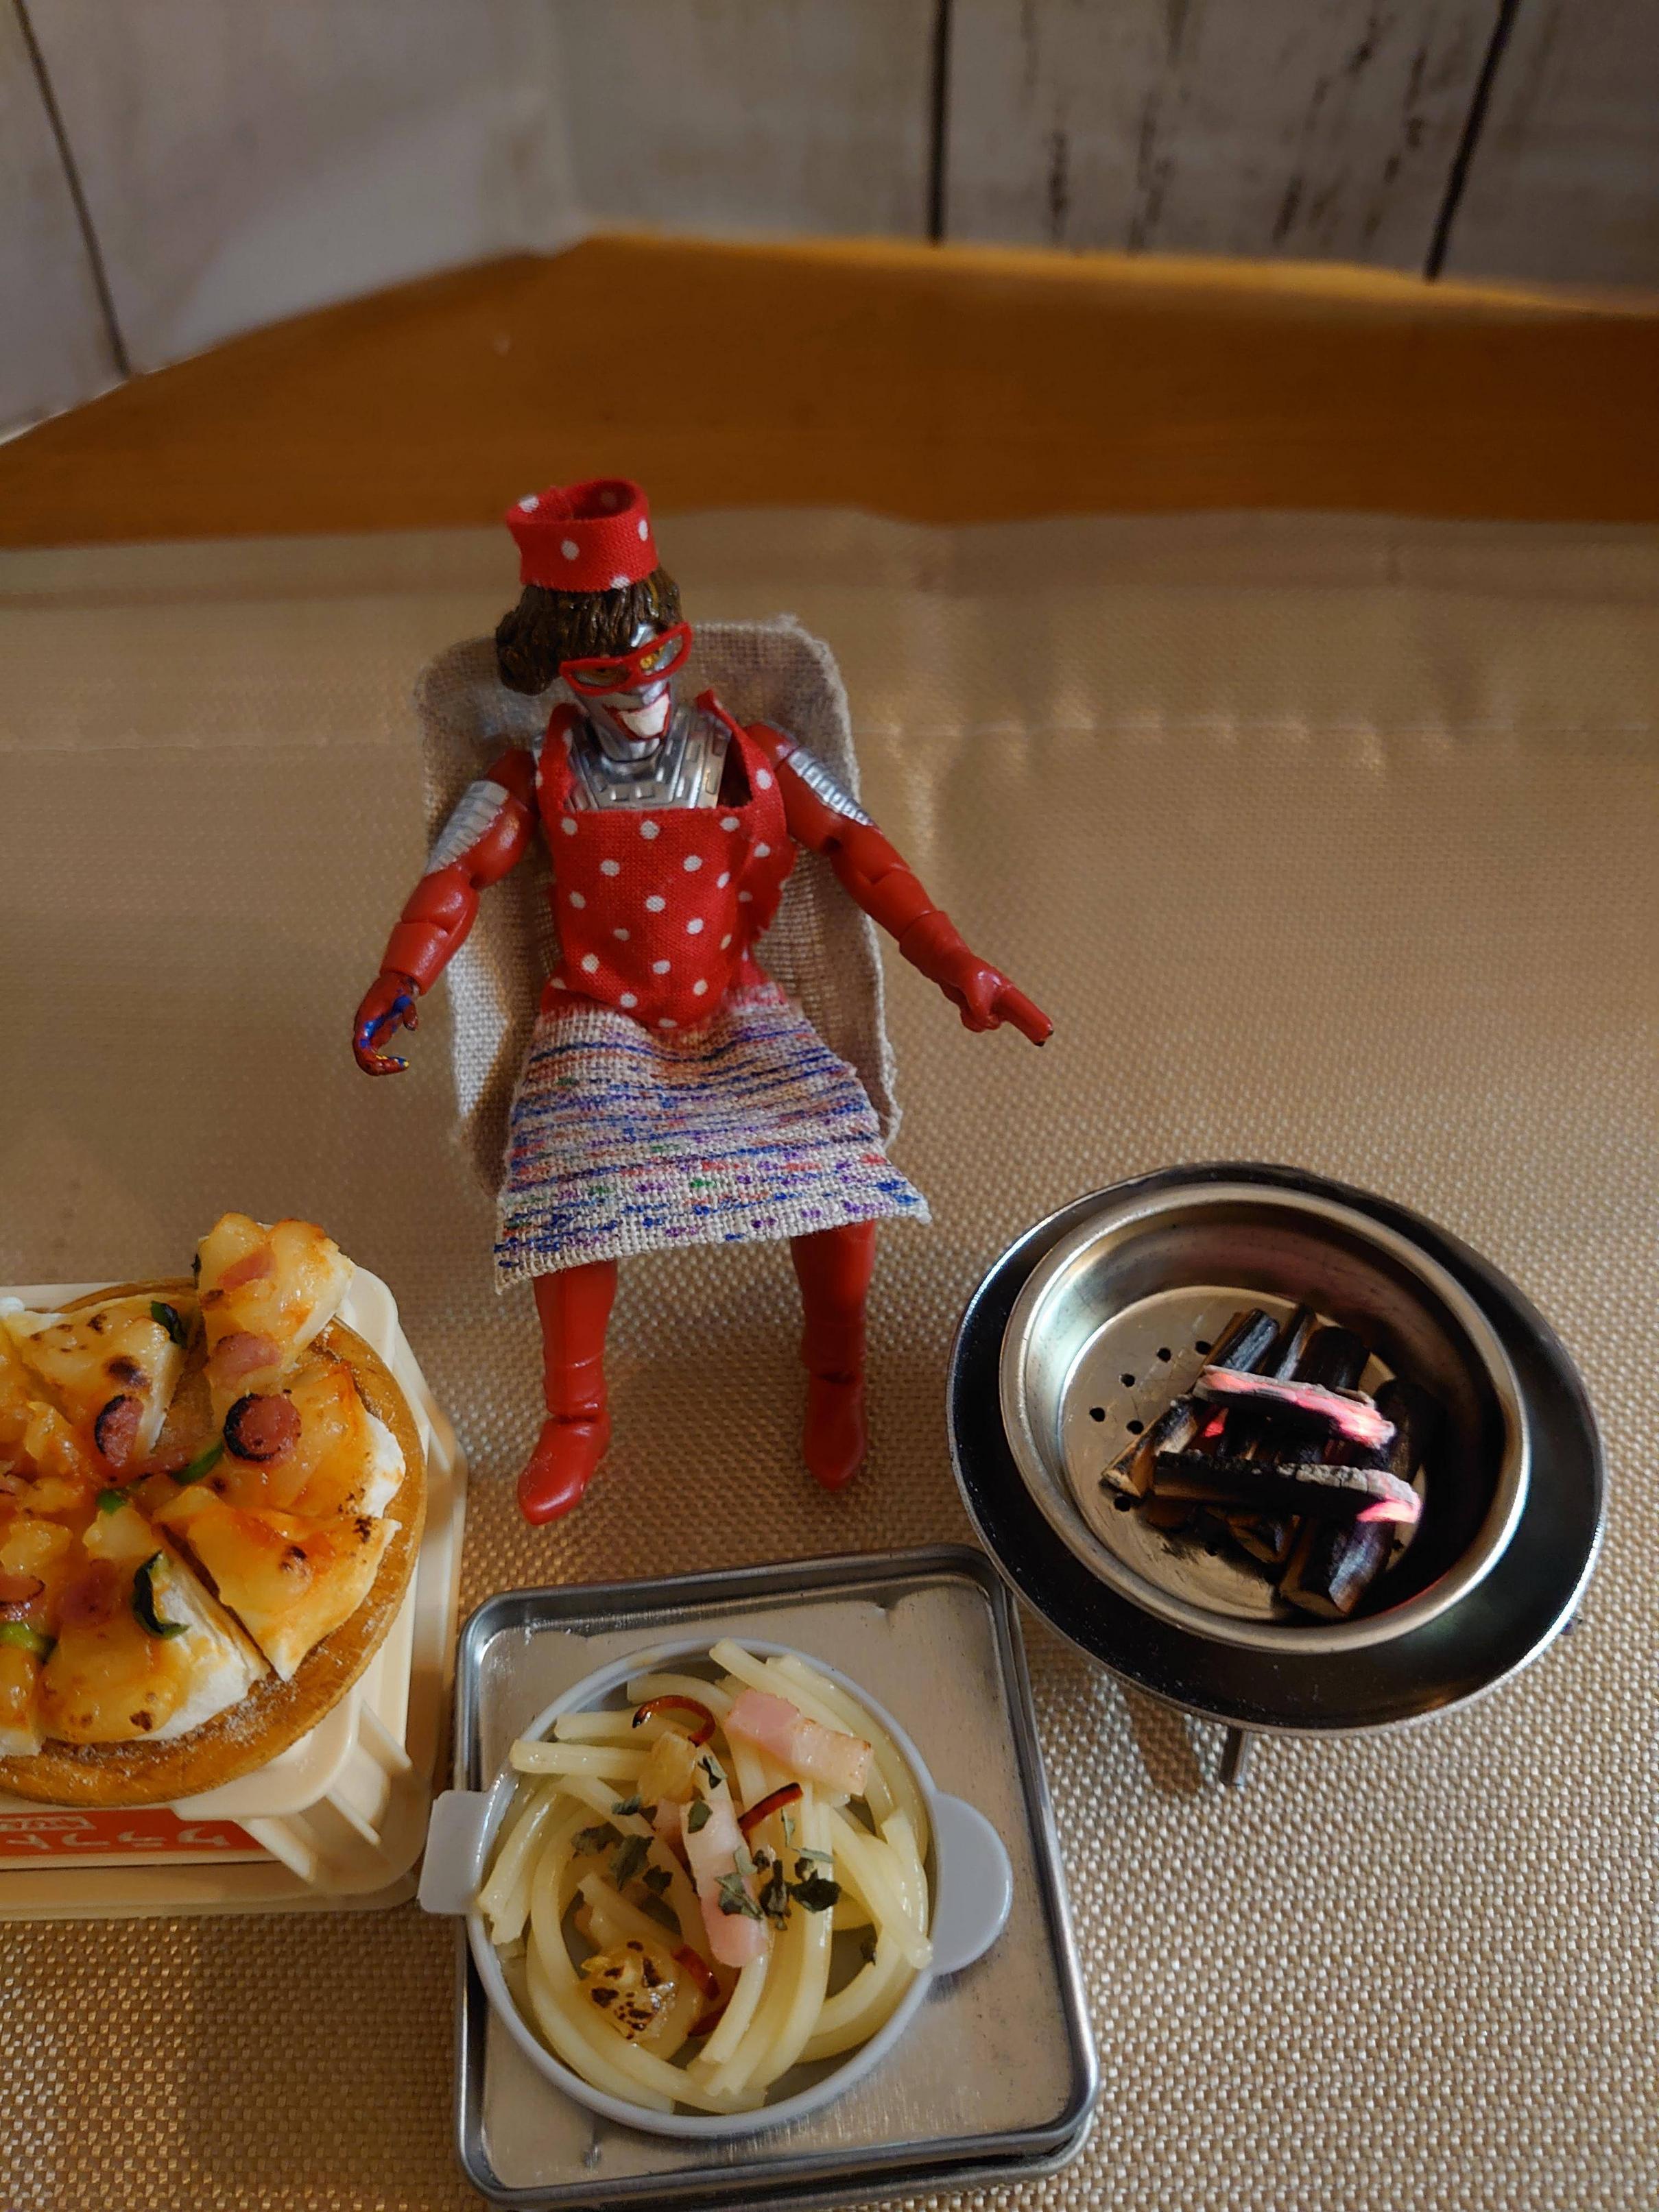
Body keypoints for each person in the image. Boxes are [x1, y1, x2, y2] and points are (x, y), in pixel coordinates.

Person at [353, 478, 1049, 1523]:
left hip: (736, 1006)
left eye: (656, 660)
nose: (639, 695)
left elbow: (861, 850)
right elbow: (457, 877)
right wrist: (401, 976)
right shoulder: (533, 774)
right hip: (598, 1018)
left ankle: (837, 1372)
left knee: (833, 1160)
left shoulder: (753, 758)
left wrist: (956, 961)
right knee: (573, 1186)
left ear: (679, 645)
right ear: (562, 674)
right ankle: (577, 1412)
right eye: (606, 675)